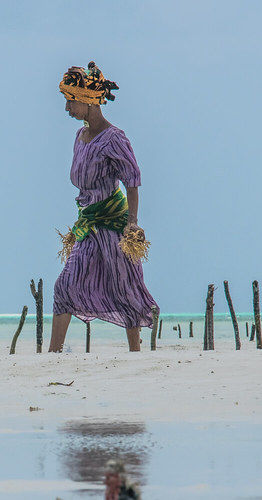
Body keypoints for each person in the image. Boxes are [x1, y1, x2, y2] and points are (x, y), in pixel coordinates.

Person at [50, 61, 158, 353]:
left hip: (113, 226)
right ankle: (53, 354)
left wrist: (131, 224)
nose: (67, 109)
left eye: (70, 101)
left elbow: (132, 181)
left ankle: (136, 353)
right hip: (88, 226)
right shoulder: (80, 138)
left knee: (125, 288)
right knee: (65, 285)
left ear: (87, 100)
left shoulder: (114, 138)